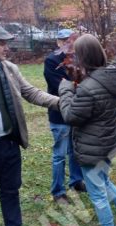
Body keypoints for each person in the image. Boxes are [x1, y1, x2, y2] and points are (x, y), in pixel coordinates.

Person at [0, 23, 59, 226]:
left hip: (10, 145)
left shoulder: (9, 68)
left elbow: (31, 92)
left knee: (11, 193)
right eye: (1, 43)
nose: (6, 48)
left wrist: (61, 102)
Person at [58, 34, 116, 226]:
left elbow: (70, 116)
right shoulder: (115, 78)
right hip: (108, 143)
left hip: (92, 148)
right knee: (104, 182)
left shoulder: (87, 88)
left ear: (83, 57)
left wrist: (66, 90)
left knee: (98, 195)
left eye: (76, 54)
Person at [43, 28, 86, 204]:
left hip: (75, 113)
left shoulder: (78, 59)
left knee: (75, 150)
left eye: (70, 40)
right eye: (63, 41)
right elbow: (60, 86)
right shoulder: (51, 61)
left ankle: (76, 181)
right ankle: (58, 191)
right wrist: (79, 88)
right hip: (59, 114)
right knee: (60, 154)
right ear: (58, 43)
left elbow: (82, 82)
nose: (67, 44)